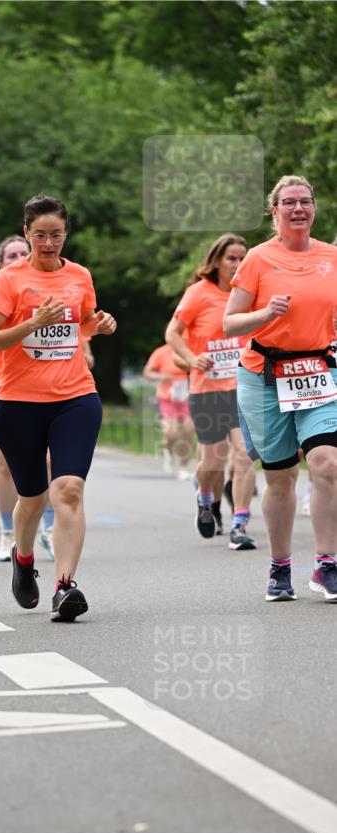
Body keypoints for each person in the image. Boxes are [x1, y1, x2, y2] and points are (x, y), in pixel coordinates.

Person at [0, 193, 116, 622]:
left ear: (65, 234)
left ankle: (64, 585)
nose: (48, 243)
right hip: (18, 403)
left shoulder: (79, 275)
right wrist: (31, 324)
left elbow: (84, 320)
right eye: (39, 235)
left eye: (56, 234)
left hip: (75, 397)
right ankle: (23, 559)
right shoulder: (8, 280)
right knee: (33, 497)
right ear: (27, 234)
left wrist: (101, 324)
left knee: (68, 491)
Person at [224, 175, 337, 602]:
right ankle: (280, 566)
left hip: (319, 371)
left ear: (314, 208)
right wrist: (265, 314)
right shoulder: (256, 259)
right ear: (274, 211)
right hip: (264, 376)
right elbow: (230, 322)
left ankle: (326, 565)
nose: (298, 209)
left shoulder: (332, 257)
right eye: (288, 202)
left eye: (305, 201)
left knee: (327, 463)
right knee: (282, 476)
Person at [165, 234, 258, 550]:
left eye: (243, 258)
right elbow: (172, 334)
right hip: (208, 390)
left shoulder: (250, 293)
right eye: (232, 258)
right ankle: (205, 498)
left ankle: (240, 523)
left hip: (245, 386)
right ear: (217, 261)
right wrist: (193, 359)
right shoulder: (198, 293)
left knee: (244, 454)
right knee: (212, 462)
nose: (238, 264)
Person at [0, 235, 56, 562]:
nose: (19, 257)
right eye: (11, 254)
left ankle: (46, 527)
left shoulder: (49, 290)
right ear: (0, 261)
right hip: (1, 382)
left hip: (43, 380)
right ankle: (7, 533)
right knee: (4, 464)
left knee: (48, 459)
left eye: (23, 252)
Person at [143, 342, 194, 479]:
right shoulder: (161, 352)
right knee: (171, 432)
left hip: (187, 396)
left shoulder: (191, 349)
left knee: (188, 431)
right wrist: (161, 377)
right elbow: (147, 372)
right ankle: (169, 451)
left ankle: (184, 467)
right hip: (167, 398)